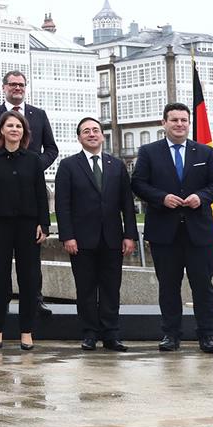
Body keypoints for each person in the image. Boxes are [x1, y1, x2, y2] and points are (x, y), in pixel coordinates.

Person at [131, 103, 213, 354]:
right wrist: (161, 197)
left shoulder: (204, 153)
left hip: (199, 233)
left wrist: (201, 197)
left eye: (184, 120)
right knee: (168, 287)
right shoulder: (149, 152)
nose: (179, 124)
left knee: (203, 287)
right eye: (174, 120)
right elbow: (138, 184)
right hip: (165, 232)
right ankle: (171, 335)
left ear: (189, 123)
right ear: (164, 123)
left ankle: (207, 336)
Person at [0, 69, 58, 316]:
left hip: (31, 190)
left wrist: (32, 164)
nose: (17, 88)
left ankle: (35, 299)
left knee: (31, 257)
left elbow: (51, 149)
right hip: (1, 192)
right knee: (0, 265)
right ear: (4, 87)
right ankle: (1, 307)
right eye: (12, 84)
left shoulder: (39, 115)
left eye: (21, 84)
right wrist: (0, 162)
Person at [55, 117, 138, 351]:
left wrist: (129, 235)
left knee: (112, 288)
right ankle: (90, 333)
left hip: (113, 239)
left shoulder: (117, 165)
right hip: (81, 240)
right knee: (86, 288)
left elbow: (127, 204)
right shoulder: (69, 166)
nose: (91, 134)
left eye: (95, 130)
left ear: (102, 135)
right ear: (79, 137)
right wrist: (67, 236)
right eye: (86, 131)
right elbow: (63, 205)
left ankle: (111, 334)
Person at [0, 110, 49, 350]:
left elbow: (42, 193)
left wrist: (44, 223)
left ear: (24, 132)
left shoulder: (33, 160)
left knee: (29, 279)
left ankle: (27, 331)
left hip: (28, 226)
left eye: (18, 126)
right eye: (9, 125)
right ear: (1, 130)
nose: (14, 129)